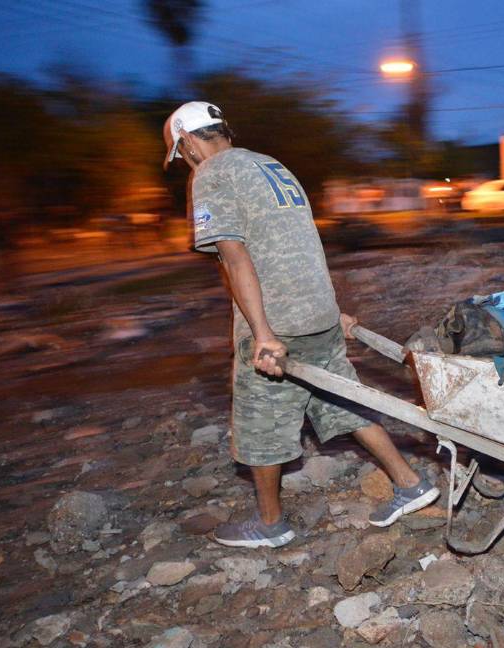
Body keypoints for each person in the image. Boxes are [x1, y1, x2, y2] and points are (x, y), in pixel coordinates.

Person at [162, 101, 438, 548]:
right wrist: (333, 310)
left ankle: (270, 524)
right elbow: (302, 243)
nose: (184, 164)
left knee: (260, 421)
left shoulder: (211, 174)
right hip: (317, 316)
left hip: (280, 322)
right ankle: (410, 483)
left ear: (189, 142)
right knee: (343, 400)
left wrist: (264, 335)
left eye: (180, 155)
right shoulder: (271, 165)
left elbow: (235, 259)